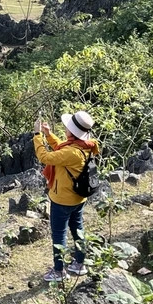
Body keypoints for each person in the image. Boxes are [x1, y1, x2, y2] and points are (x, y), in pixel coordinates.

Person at [33, 111, 99, 282]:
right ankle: (79, 263)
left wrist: (37, 135)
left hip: (62, 200)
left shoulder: (72, 152)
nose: (65, 129)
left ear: (72, 132)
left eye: (67, 128)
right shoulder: (86, 146)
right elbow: (61, 147)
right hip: (79, 198)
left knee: (59, 234)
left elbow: (45, 157)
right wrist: (48, 134)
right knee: (78, 229)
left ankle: (59, 271)